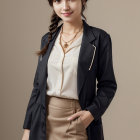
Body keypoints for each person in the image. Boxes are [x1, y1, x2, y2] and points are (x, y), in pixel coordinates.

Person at [22, 0, 117, 140]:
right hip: (42, 120)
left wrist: (91, 113)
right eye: (58, 1)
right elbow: (37, 87)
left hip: (75, 121)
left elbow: (108, 85)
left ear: (83, 1)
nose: (65, 6)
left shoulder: (99, 39)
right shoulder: (47, 39)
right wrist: (28, 128)